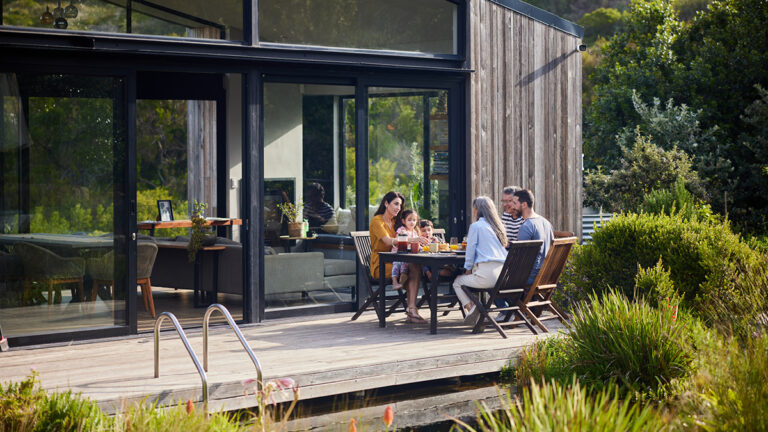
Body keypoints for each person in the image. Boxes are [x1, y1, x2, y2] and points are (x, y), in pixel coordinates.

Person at [369, 191, 429, 324]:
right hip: (381, 263)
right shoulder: (377, 221)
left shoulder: (397, 221)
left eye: (400, 205)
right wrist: (412, 239)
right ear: (386, 203)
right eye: (395, 204)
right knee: (410, 269)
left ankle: (411, 309)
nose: (398, 208)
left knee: (414, 266)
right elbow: (388, 241)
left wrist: (425, 236)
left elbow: (413, 228)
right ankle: (412, 310)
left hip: (399, 260)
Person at [452, 196, 508, 327]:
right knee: (475, 278)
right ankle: (480, 309)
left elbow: (470, 251)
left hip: (488, 277)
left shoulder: (476, 226)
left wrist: (467, 270)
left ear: (476, 210)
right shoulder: (498, 227)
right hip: (504, 277)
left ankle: (472, 308)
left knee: (457, 282)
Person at [512, 189, 554, 285]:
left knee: (491, 284)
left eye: (515, 203)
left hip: (530, 278)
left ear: (524, 205)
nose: (512, 207)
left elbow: (520, 260)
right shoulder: (546, 223)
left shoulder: (526, 227)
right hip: (546, 277)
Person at [391, 209, 420, 290]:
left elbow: (416, 244)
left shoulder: (415, 232)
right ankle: (394, 282)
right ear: (403, 221)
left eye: (414, 220)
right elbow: (397, 240)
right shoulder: (401, 229)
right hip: (398, 253)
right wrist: (402, 235)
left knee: (406, 264)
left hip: (408, 255)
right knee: (396, 265)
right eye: (409, 220)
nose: (412, 222)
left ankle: (402, 279)